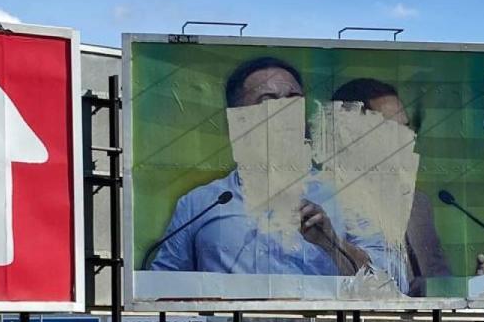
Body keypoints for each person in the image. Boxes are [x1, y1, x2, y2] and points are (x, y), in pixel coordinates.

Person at [150, 58, 406, 292]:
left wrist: (333, 244)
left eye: (294, 98)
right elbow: (160, 288)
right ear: (239, 120)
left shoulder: (349, 196)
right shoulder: (200, 204)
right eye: (269, 101)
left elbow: (392, 284)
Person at [330, 78, 450, 296]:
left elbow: (436, 282)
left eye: (405, 128)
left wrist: (479, 285)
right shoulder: (323, 199)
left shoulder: (418, 204)